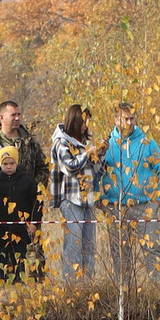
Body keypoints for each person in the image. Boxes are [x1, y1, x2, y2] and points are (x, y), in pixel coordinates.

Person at [98, 104, 160, 285]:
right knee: (120, 253)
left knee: (152, 249)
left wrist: (158, 200)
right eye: (126, 119)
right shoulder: (106, 145)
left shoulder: (147, 142)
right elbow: (93, 173)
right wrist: (99, 200)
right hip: (115, 208)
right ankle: (123, 291)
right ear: (116, 120)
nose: (130, 122)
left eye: (132, 118)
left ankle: (157, 289)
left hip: (144, 206)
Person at [0, 141, 45, 284]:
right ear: (0, 164)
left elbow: (37, 203)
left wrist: (34, 223)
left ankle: (21, 282)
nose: (8, 167)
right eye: (5, 164)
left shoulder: (27, 181)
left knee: (21, 258)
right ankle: (0, 283)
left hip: (21, 231)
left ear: (16, 163)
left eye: (11, 163)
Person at [50, 105, 100, 280]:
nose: (86, 126)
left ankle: (87, 283)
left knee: (89, 245)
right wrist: (87, 153)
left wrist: (99, 155)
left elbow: (95, 170)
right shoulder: (61, 142)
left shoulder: (83, 143)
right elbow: (69, 167)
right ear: (76, 121)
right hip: (71, 199)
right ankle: (71, 284)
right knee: (74, 244)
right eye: (84, 122)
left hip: (88, 199)